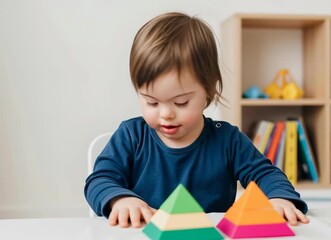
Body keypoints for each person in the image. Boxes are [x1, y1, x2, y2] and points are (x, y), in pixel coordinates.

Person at [84, 12, 309, 228]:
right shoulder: (131, 135)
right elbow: (99, 180)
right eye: (151, 102)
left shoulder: (228, 140)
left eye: (180, 102)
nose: (165, 114)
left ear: (209, 92)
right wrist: (120, 199)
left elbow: (267, 174)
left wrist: (279, 198)